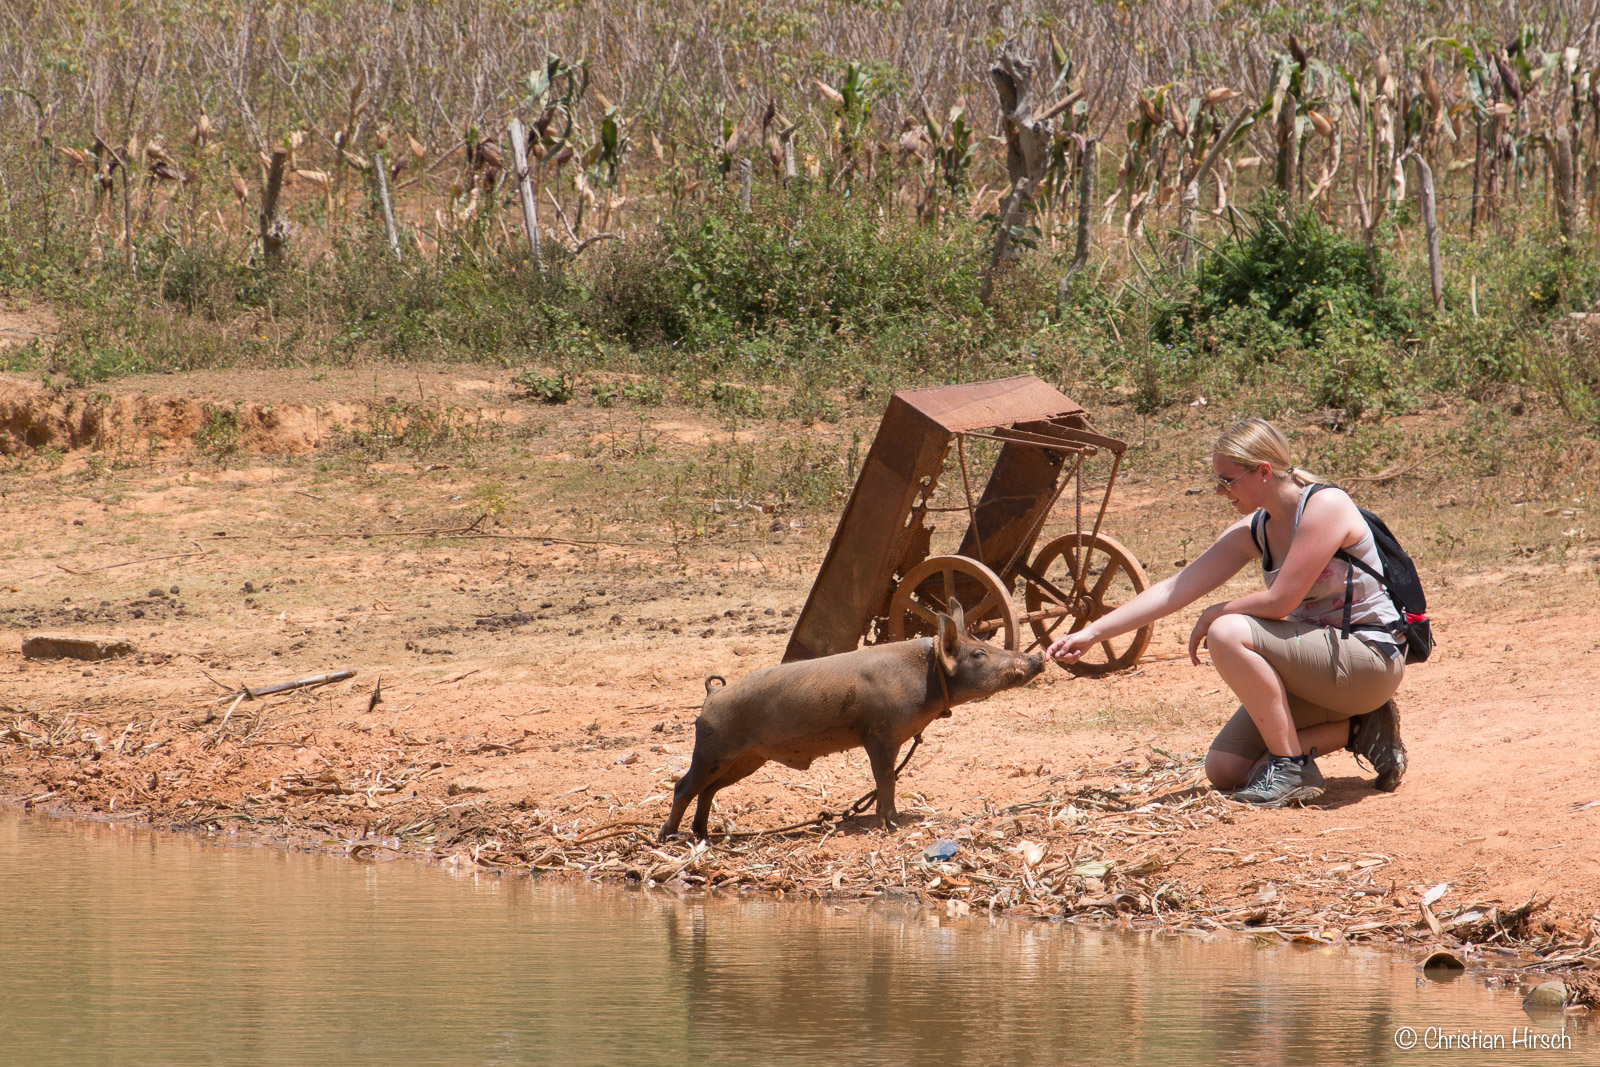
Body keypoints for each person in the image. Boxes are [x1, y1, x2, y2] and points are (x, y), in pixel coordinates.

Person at [1047, 417, 1408, 807]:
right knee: (1227, 769)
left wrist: (1213, 613)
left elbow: (1281, 601)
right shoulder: (1256, 528)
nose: (1220, 491)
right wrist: (1092, 633)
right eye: (1216, 480)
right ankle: (1361, 727)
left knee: (1226, 631)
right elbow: (1173, 588)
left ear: (1264, 472)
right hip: (1321, 670)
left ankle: (1292, 769)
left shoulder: (1326, 506)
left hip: (1369, 660)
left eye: (1227, 480)